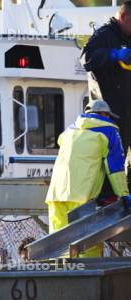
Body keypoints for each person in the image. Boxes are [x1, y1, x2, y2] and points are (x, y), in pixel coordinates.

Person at [45, 100, 130, 258]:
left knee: (57, 250)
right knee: (87, 249)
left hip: (55, 196)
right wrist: (124, 194)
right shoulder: (109, 130)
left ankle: (59, 282)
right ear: (104, 114)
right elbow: (115, 167)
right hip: (82, 197)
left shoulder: (68, 131)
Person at [81, 1, 131, 192]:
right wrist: (113, 54)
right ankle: (110, 200)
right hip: (108, 114)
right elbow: (86, 58)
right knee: (112, 159)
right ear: (124, 16)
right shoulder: (104, 35)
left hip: (127, 110)